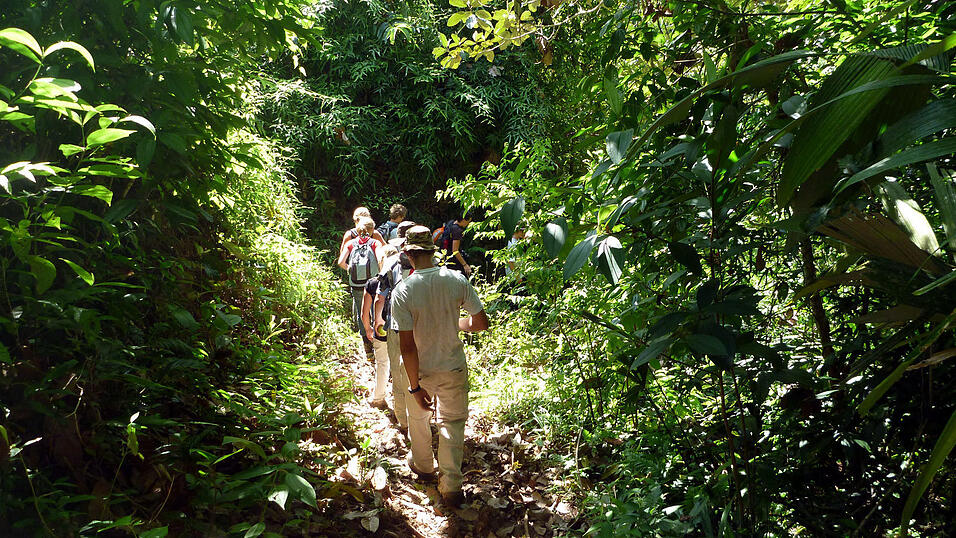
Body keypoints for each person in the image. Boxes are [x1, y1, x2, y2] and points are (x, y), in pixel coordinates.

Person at [390, 226, 489, 508]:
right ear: (434, 252)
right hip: (453, 366)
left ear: (408, 254)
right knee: (453, 423)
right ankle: (452, 485)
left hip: (420, 369)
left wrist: (414, 386)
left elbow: (407, 346)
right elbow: (480, 323)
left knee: (419, 420)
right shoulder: (456, 280)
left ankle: (423, 465)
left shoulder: (404, 290)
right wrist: (456, 324)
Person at [338, 216, 385, 357]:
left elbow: (341, 262)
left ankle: (367, 345)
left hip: (356, 284)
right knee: (375, 309)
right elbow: (381, 259)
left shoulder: (351, 243)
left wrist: (351, 270)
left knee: (361, 312)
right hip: (373, 283)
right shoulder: (375, 243)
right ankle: (378, 340)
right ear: (371, 230)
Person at [361, 244, 399, 411]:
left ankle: (378, 398)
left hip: (380, 328)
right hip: (399, 327)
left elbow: (364, 312)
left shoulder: (372, 283)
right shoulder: (402, 281)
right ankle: (401, 404)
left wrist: (368, 328)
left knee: (382, 363)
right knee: (399, 365)